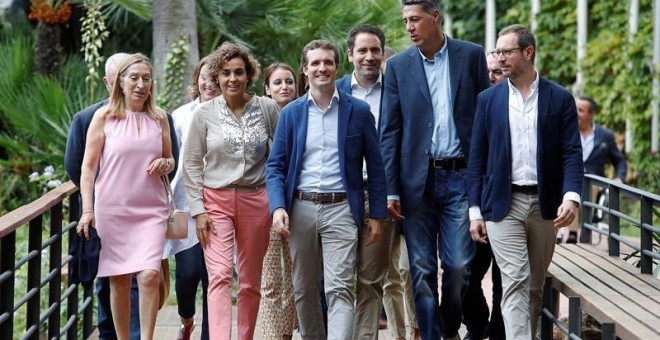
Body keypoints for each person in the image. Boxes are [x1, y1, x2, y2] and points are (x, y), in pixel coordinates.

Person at [380, 1, 490, 338]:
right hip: (418, 182)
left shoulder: (470, 55)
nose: (409, 27)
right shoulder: (398, 66)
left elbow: (485, 119)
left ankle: (447, 324)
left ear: (435, 17)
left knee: (459, 265)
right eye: (405, 21)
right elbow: (390, 130)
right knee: (422, 268)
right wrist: (391, 188)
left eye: (415, 19)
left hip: (461, 176)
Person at [467, 24, 583, 339]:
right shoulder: (488, 100)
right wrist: (474, 210)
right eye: (498, 51)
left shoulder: (559, 98)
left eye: (506, 52)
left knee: (533, 285)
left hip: (546, 206)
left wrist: (571, 196)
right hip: (503, 205)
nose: (499, 58)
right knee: (515, 279)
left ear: (527, 52)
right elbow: (477, 158)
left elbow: (572, 152)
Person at [266, 39, 387, 339]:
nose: (322, 68)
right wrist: (278, 207)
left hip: (343, 209)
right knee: (304, 289)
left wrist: (377, 215)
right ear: (305, 70)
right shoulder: (292, 113)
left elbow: (376, 165)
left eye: (328, 62)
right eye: (315, 63)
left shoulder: (358, 111)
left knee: (340, 289)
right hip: (301, 208)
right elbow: (275, 166)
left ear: (337, 66)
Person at [64, 52, 179, 340]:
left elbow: (170, 158)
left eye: (146, 78)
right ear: (121, 83)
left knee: (150, 275)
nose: (141, 84)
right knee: (118, 279)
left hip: (150, 209)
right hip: (112, 209)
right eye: (134, 78)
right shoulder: (103, 117)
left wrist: (166, 163)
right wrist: (88, 211)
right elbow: (87, 168)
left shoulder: (160, 118)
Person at [183, 42, 279, 340]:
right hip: (215, 201)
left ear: (248, 75)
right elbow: (191, 163)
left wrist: (278, 203)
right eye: (226, 73)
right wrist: (198, 210)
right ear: (216, 76)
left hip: (256, 200)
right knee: (221, 274)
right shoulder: (204, 114)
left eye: (239, 72)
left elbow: (279, 158)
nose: (233, 79)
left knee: (250, 281)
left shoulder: (267, 107)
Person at [335, 24, 410, 340]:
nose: (369, 57)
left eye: (375, 50)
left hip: (383, 195)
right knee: (337, 279)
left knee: (370, 279)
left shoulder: (398, 89)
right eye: (362, 50)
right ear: (350, 54)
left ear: (383, 54)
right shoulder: (335, 91)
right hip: (339, 197)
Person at [164, 56, 220, 340]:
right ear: (196, 79)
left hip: (221, 207)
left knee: (216, 277)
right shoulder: (180, 115)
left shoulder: (233, 113)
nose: (208, 82)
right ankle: (187, 319)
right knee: (187, 274)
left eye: (215, 77)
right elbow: (169, 157)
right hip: (184, 206)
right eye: (203, 76)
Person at [460, 53, 506, 340]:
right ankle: (478, 327)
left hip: (506, 208)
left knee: (504, 280)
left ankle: (499, 334)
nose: (491, 76)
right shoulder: (468, 108)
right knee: (463, 274)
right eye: (488, 71)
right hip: (472, 206)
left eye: (498, 71)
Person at [259, 62, 298, 340]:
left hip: (302, 203)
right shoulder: (258, 120)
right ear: (267, 89)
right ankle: (275, 335)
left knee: (297, 277)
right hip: (265, 204)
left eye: (289, 81)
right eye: (277, 82)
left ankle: (287, 331)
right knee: (270, 278)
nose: (284, 87)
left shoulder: (304, 116)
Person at [572, 95, 627, 244]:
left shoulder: (605, 136)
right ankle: (572, 233)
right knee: (571, 187)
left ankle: (573, 233)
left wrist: (619, 178)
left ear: (591, 114)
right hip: (568, 183)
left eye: (580, 110)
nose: (575, 112)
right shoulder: (567, 131)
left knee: (587, 184)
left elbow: (620, 161)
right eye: (575, 108)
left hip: (593, 186)